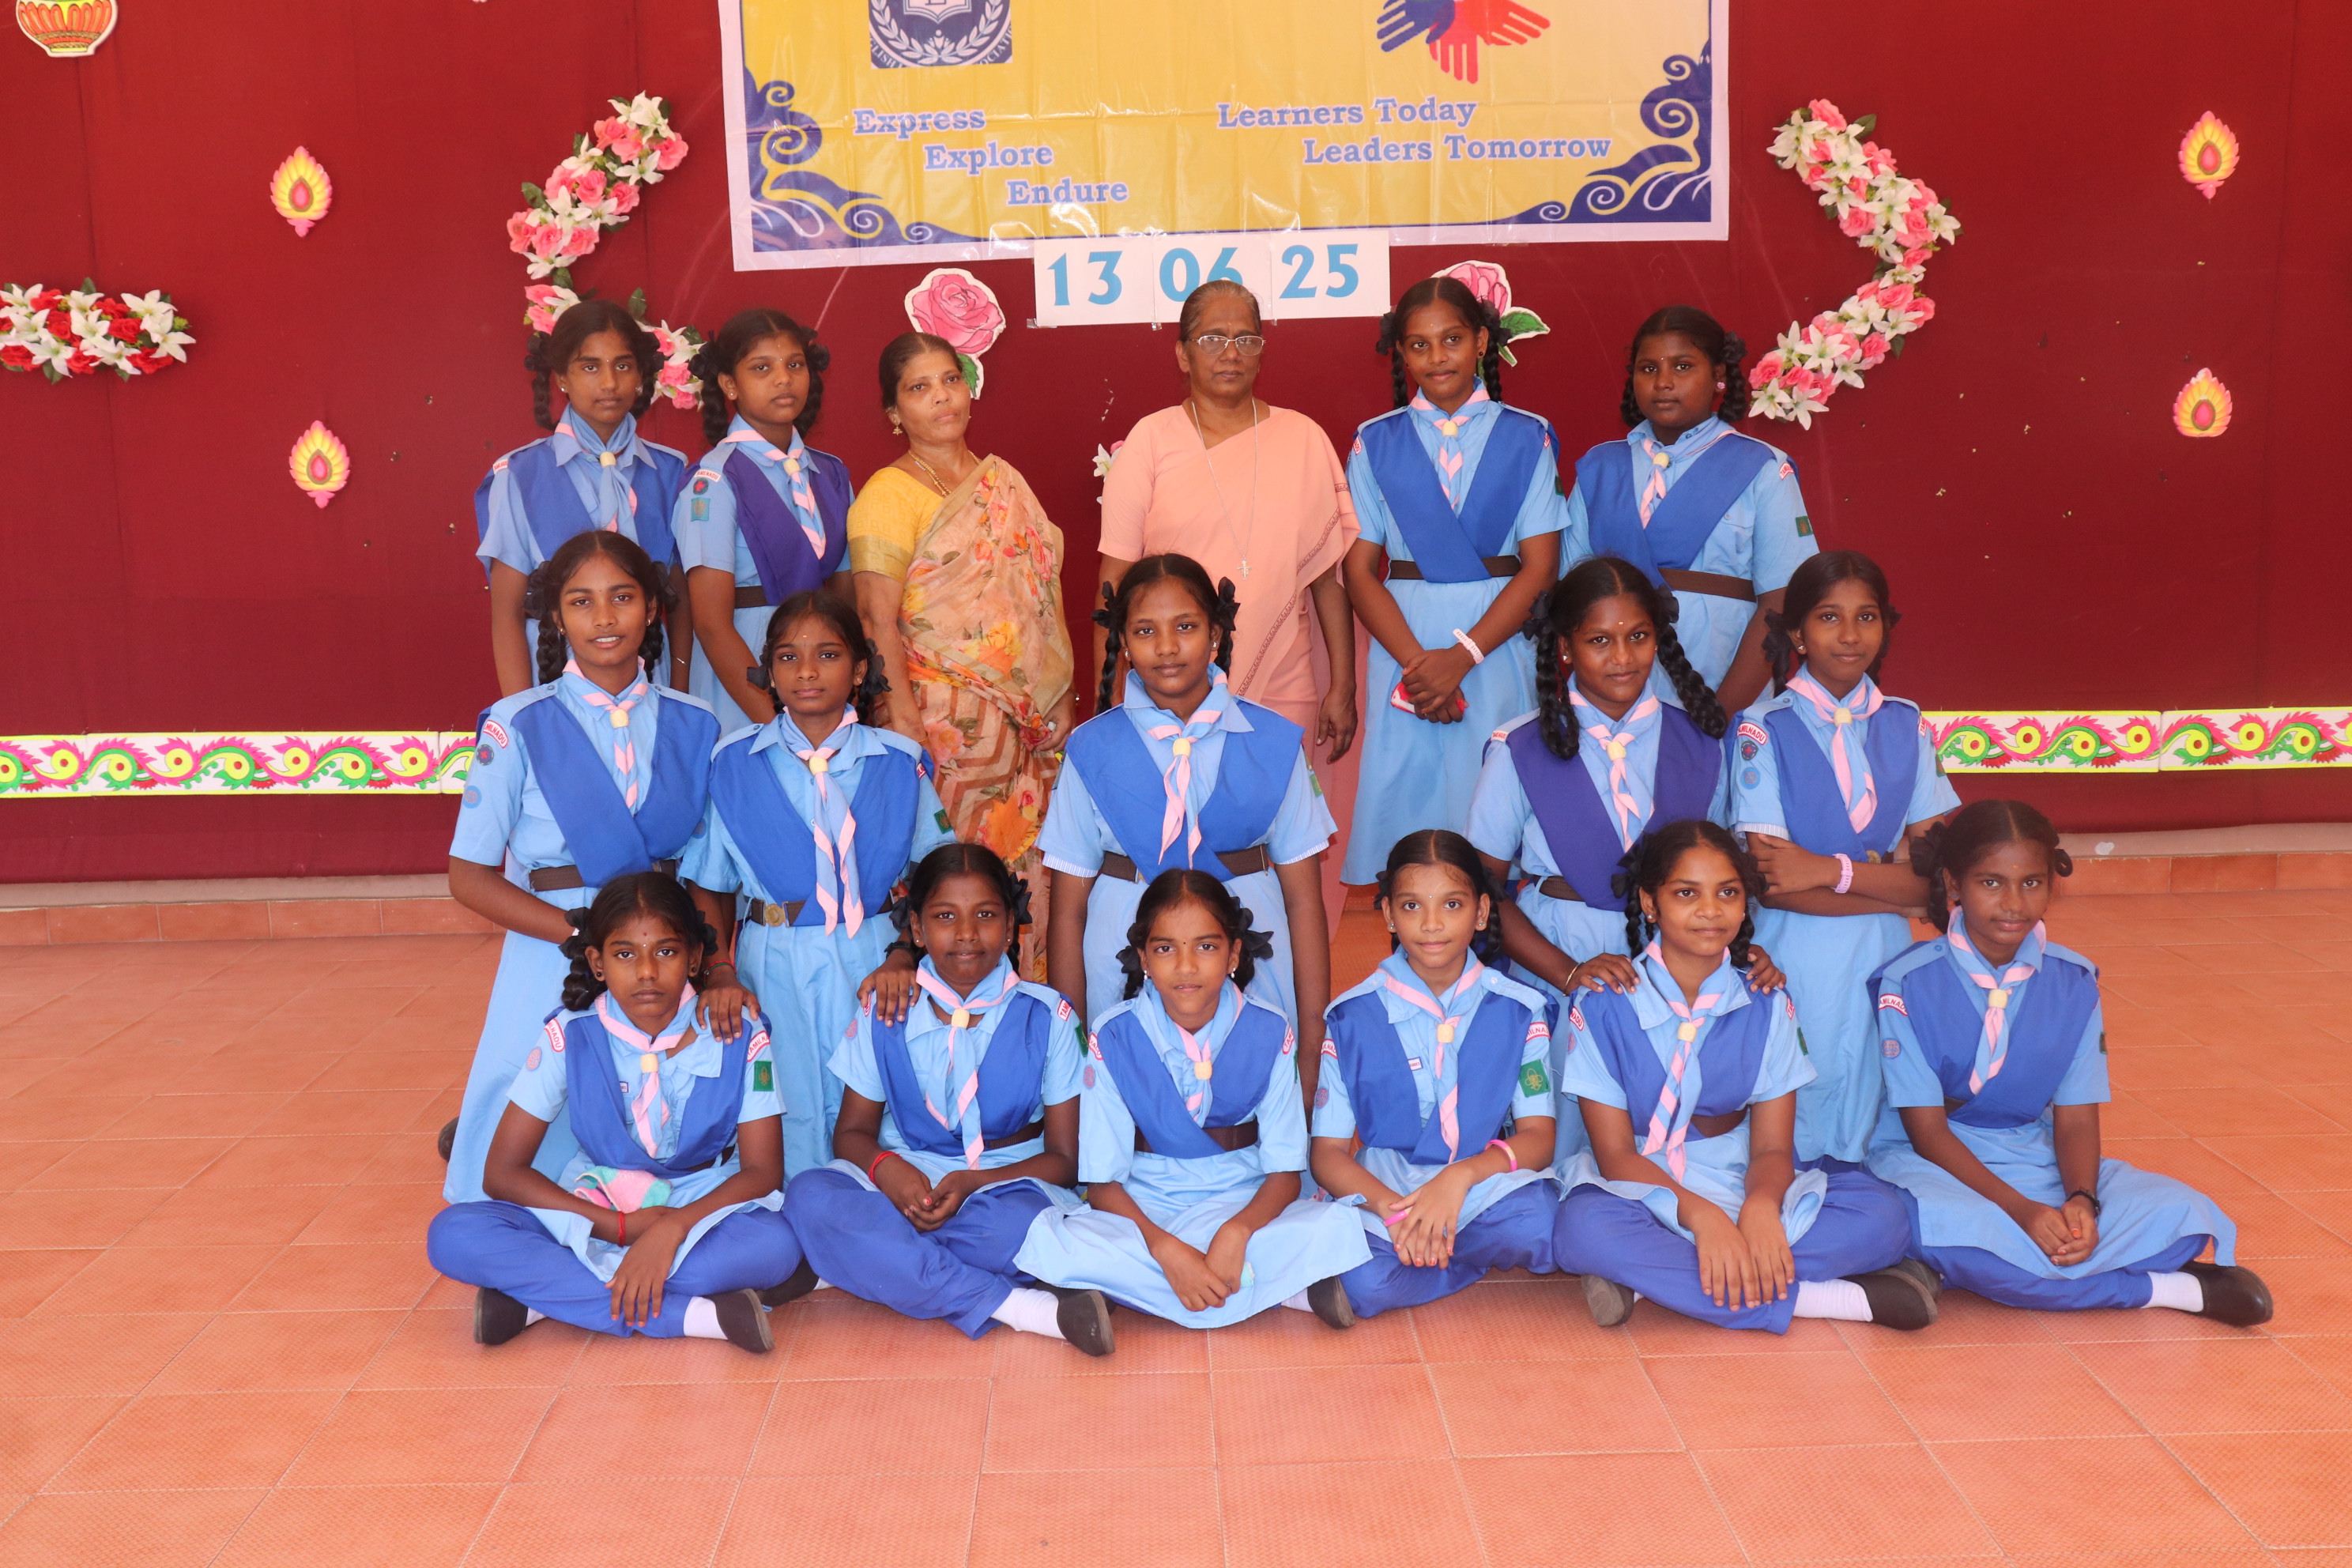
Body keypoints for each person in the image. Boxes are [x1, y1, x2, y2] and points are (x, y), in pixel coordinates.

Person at [1866, 801, 2274, 1324]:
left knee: (2183, 1212)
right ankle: (2170, 1289)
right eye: (1991, 883)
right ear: (1954, 885)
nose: (2014, 903)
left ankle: (1961, 1269)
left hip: (2028, 1153)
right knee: (1947, 1222)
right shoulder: (1908, 982)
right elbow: (1926, 1132)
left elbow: (2077, 1118)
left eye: (2032, 883)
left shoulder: (2074, 981)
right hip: (1934, 1161)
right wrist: (2022, 1211)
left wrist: (2082, 1200)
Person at [1551, 822, 1936, 1333]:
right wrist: (1703, 1217)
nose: (1710, 910)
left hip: (1740, 1173)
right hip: (1643, 1181)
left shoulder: (1767, 1001)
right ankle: (1835, 1298)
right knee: (1582, 1229)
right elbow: (1616, 1156)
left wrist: (1758, 1208)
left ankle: (1655, 1281)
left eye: (1728, 893)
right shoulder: (1603, 1002)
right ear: (1650, 903)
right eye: (1686, 893)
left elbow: (1772, 1148)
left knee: (1884, 1215)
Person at [444, 532, 718, 1204]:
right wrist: (580, 937)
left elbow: (711, 870)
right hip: (553, 948)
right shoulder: (517, 724)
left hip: (662, 952)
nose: (604, 618)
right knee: (532, 1104)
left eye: (622, 597)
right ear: (556, 617)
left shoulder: (698, 724)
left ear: (652, 609)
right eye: (581, 601)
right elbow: (468, 876)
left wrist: (710, 962)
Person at [426, 873, 797, 1351]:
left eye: (666, 951)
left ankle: (549, 1299)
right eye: (625, 955)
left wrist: (670, 1229)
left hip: (699, 1207)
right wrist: (620, 1229)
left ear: (694, 957)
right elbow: (502, 1173)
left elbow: (763, 1172)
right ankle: (692, 1315)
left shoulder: (738, 1031)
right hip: (596, 1202)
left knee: (776, 1246)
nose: (646, 972)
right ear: (598, 963)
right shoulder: (570, 1032)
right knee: (454, 1234)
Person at [782, 844, 1114, 1354]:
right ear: (916, 930)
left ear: (1011, 927)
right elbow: (850, 1134)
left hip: (1004, 1187)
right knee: (809, 1195)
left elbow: (1065, 1161)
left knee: (1017, 1229)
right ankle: (1016, 1306)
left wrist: (973, 1182)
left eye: (986, 915)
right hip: (905, 1177)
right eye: (944, 917)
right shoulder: (884, 1011)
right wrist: (889, 1170)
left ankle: (870, 1261)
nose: (966, 934)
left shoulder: (1050, 1015)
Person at [1016, 871, 1370, 1328]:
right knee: (1056, 1240)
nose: (1186, 967)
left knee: (1335, 1226)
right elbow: (1102, 1184)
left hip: (1244, 1198)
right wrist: (1165, 1248)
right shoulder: (1113, 1035)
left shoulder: (1270, 1029)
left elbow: (1285, 1174)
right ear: (1144, 958)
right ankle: (1279, 1289)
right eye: (1166, 949)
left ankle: (1156, 1289)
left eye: (1205, 946)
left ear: (1233, 955)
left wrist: (1237, 1231)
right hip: (1146, 1205)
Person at [682, 590, 956, 1179]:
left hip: (874, 956)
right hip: (771, 958)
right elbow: (709, 882)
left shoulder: (899, 762)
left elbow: (939, 880)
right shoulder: (733, 763)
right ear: (768, 671)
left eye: (828, 655)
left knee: (873, 1092)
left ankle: (874, 1202)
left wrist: (905, 954)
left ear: (859, 669)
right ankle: (791, 1204)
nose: (806, 671)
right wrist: (720, 970)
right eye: (788, 657)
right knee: (786, 1095)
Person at [1042, 556, 1335, 1089]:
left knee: (1251, 1098)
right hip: (1120, 950)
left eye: (1185, 626)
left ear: (1216, 634)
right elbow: (1067, 912)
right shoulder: (1090, 749)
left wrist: (1314, 1045)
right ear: (1123, 642)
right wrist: (1071, 1047)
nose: (1167, 647)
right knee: (1129, 1101)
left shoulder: (1274, 741)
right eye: (1145, 631)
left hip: (1255, 951)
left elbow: (1303, 901)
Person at [849, 332, 1077, 963]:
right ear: (895, 413)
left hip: (1023, 726)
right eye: (919, 388)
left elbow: (1041, 596)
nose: (941, 397)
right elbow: (874, 618)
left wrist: (1061, 694)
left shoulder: (1003, 483)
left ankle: (1019, 997)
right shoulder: (886, 495)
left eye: (950, 380)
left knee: (1019, 873)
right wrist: (903, 723)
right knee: (950, 873)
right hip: (940, 726)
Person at [1732, 551, 1959, 1168]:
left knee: (1875, 1088)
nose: (1851, 634)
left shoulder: (1908, 726)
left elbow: (1936, 881)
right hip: (1794, 951)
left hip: (1885, 951)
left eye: (1867, 616)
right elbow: (1776, 883)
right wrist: (1897, 886)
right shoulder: (1762, 729)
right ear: (1797, 634)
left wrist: (1829, 870)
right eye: (1829, 617)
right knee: (1802, 1095)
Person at [1340, 275, 1566, 886]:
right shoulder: (1373, 442)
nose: (1437, 357)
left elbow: (1541, 567)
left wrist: (1461, 658)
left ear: (1482, 342)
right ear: (1401, 353)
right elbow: (1358, 571)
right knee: (1411, 807)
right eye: (1419, 345)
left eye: (1452, 340)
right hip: (1405, 651)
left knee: (1495, 797)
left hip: (1497, 642)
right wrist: (1422, 669)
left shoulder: (1527, 435)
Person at [1466, 555, 1736, 1023]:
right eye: (1599, 640)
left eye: (1638, 636)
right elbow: (1481, 887)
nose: (1623, 658)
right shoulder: (1518, 749)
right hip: (1555, 961)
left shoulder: (1701, 744)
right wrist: (1568, 973)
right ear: (1566, 646)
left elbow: (1728, 877)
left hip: (1680, 969)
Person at [1098, 280, 1359, 757]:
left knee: (1278, 801)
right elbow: (1113, 584)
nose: (1231, 353)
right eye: (1213, 339)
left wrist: (1343, 686)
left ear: (1261, 351)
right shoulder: (1150, 441)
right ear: (1183, 355)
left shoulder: (1302, 438)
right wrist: (1111, 693)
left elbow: (1328, 581)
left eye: (1246, 339)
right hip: (1172, 681)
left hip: (1284, 679)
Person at [1314, 831, 1560, 1320]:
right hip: (1388, 1187)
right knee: (1366, 1284)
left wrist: (1457, 1181)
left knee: (1542, 1224)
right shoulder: (1351, 1017)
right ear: (1388, 914)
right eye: (1411, 906)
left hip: (1479, 1179)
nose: (1431, 924)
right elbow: (1326, 1153)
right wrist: (1396, 1212)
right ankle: (1458, 1256)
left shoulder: (1519, 1010)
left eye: (1452, 904)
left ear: (1482, 912)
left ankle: (1435, 1254)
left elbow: (1539, 1138)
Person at [1564, 304, 1814, 711]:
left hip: (1724, 685)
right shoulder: (1600, 468)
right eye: (1648, 369)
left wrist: (1721, 715)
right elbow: (1571, 590)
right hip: (1612, 694)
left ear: (1718, 374)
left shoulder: (1763, 468)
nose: (1663, 382)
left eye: (1682, 366)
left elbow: (1781, 600)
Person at [476, 300, 690, 697]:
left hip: (650, 685)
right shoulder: (519, 475)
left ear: (641, 375)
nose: (609, 383)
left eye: (622, 366)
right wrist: (524, 713)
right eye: (590, 367)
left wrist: (680, 696)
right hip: (553, 685)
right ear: (562, 377)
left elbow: (680, 605)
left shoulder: (672, 472)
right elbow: (506, 614)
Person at [678, 308, 852, 736]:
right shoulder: (714, 481)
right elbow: (711, 625)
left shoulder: (831, 473)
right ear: (730, 384)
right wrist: (777, 724)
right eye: (762, 368)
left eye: (795, 365)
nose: (783, 379)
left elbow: (847, 600)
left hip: (821, 679)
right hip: (745, 679)